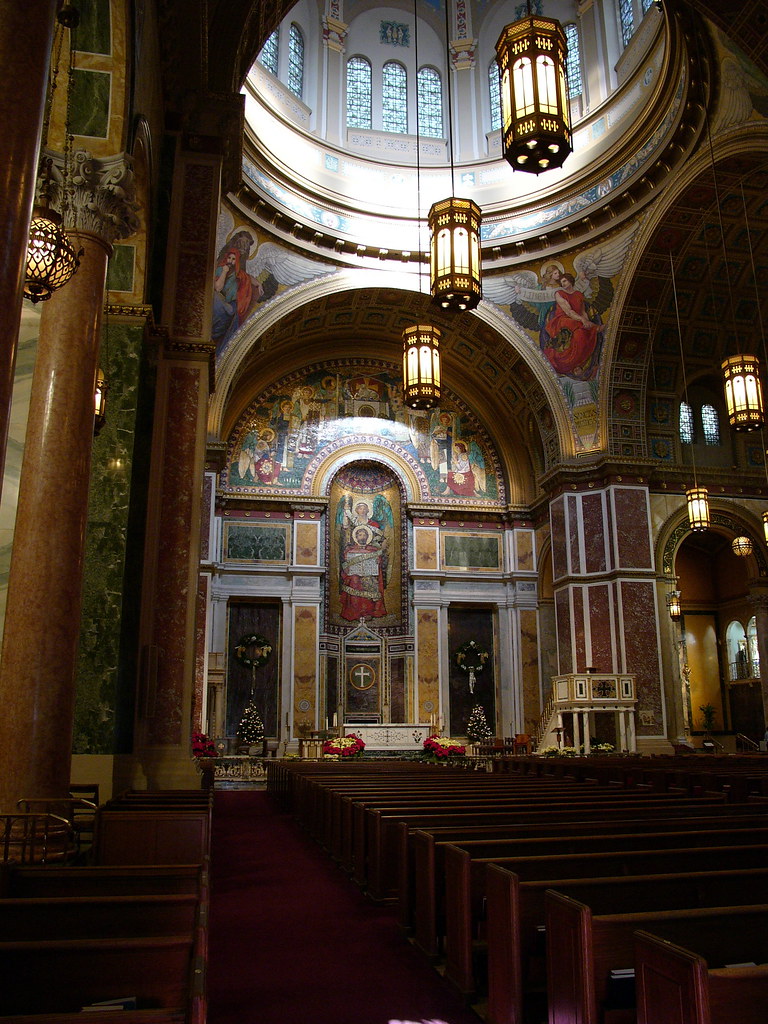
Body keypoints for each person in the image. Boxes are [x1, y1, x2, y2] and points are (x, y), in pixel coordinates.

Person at [542, 272, 606, 380]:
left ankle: (577, 361)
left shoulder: (579, 294)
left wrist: (586, 321)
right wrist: (582, 320)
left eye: (564, 281)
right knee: (579, 330)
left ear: (570, 280)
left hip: (577, 319)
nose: (563, 284)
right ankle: (597, 328)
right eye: (561, 282)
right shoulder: (559, 293)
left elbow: (582, 312)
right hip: (561, 320)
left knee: (582, 333)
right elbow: (568, 311)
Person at [339, 525, 387, 620]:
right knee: (354, 580)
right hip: (354, 576)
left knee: (370, 581)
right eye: (360, 535)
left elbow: (379, 563)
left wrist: (378, 561)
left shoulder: (373, 550)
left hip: (369, 575)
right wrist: (347, 569)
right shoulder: (350, 550)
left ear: (368, 537)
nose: (362, 537)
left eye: (364, 535)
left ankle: (369, 612)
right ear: (356, 537)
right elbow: (345, 565)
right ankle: (355, 612)